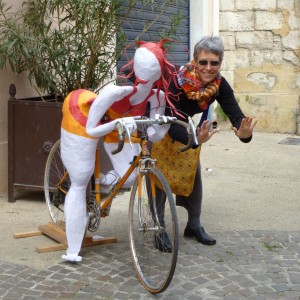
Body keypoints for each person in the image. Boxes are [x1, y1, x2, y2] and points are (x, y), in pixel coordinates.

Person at [60, 41, 177, 262]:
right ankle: (72, 250)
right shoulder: (115, 92)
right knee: (80, 179)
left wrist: (164, 123)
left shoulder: (157, 96)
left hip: (117, 125)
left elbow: (155, 135)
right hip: (82, 118)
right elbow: (92, 129)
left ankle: (105, 182)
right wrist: (123, 121)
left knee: (131, 176)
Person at [159, 36, 257, 246]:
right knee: (159, 177)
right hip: (161, 124)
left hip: (186, 129)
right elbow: (172, 120)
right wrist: (193, 138)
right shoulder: (177, 81)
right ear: (194, 61)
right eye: (203, 62)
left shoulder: (219, 84)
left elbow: (236, 116)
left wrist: (245, 133)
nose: (208, 68)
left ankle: (193, 226)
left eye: (214, 63)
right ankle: (157, 228)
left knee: (193, 173)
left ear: (220, 63)